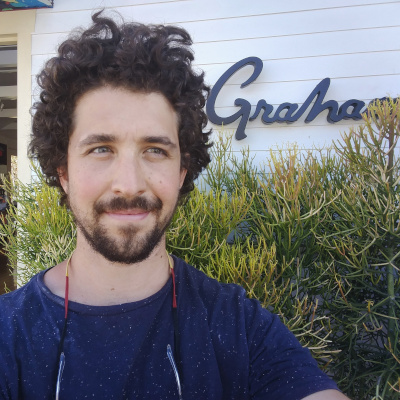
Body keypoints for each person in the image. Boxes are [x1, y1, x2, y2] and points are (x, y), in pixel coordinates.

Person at [0, 11, 349, 400]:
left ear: (182, 171)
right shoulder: (7, 335)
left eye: (155, 150)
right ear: (63, 171)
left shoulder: (239, 328)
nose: (129, 184)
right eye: (101, 149)